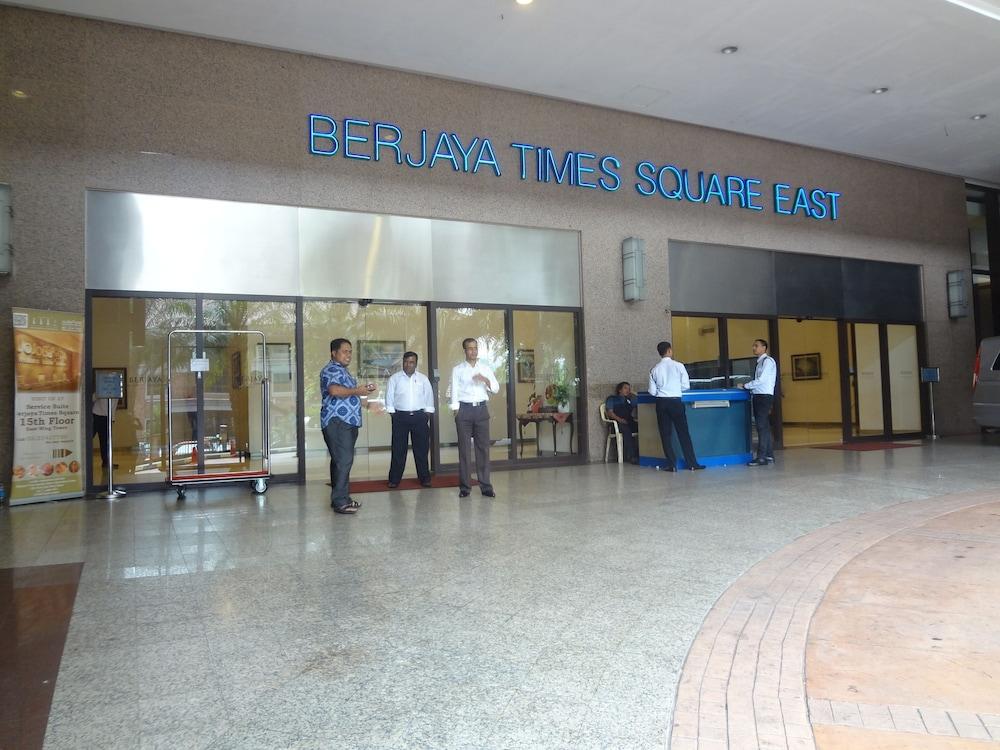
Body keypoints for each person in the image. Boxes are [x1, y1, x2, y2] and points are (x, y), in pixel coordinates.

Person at [320, 338, 376, 514]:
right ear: (333, 353)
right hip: (337, 422)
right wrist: (357, 390)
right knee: (344, 461)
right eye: (345, 351)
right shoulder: (331, 369)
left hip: (346, 423)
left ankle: (341, 498)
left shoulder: (343, 372)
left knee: (339, 461)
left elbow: (351, 395)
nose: (348, 355)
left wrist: (367, 403)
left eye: (350, 352)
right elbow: (334, 391)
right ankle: (340, 502)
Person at [449, 337, 500, 498]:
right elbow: (454, 391)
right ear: (464, 351)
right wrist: (456, 410)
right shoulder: (457, 369)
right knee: (464, 451)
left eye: (475, 348)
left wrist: (485, 380)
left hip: (481, 411)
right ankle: (465, 487)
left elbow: (496, 388)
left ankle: (486, 486)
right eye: (470, 348)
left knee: (483, 450)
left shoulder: (485, 368)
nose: (473, 351)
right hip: (464, 411)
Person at [647, 341, 705, 471]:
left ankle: (671, 465)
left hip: (661, 402)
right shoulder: (679, 366)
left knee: (665, 434)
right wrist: (674, 389)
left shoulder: (654, 369)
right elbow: (686, 386)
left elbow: (652, 391)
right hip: (675, 401)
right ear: (669, 351)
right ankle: (692, 464)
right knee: (683, 433)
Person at [385, 351, 435, 488]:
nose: (408, 365)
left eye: (411, 362)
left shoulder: (423, 379)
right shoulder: (394, 379)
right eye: (406, 362)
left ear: (416, 364)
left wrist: (427, 415)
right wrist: (393, 414)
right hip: (400, 417)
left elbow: (429, 398)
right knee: (398, 449)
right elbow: (389, 398)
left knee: (422, 450)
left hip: (419, 417)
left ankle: (425, 478)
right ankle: (394, 479)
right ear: (403, 362)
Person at [740, 338, 777, 466]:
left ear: (764, 348)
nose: (753, 348)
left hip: (763, 397)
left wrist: (746, 386)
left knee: (761, 427)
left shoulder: (768, 362)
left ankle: (761, 457)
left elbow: (762, 380)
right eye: (753, 345)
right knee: (764, 426)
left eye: (756, 346)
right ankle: (769, 455)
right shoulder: (760, 362)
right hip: (758, 396)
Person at [605, 381, 639, 464]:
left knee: (643, 427)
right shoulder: (612, 399)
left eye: (629, 388)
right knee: (627, 430)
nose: (628, 390)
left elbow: (639, 403)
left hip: (628, 421)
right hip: (617, 423)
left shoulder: (629, 400)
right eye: (625, 388)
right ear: (619, 390)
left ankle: (641, 455)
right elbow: (610, 412)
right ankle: (632, 456)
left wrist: (633, 395)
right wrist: (619, 419)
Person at [91, 392, 119, 470]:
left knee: (105, 442)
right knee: (88, 438)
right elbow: (93, 398)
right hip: (96, 415)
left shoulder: (116, 389)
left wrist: (112, 418)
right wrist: (99, 393)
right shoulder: (101, 387)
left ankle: (106, 463)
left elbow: (114, 405)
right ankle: (82, 460)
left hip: (107, 417)